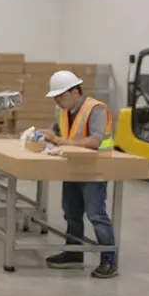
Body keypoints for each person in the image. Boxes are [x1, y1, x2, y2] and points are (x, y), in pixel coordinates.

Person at [41, 70, 118, 279]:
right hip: (73, 167)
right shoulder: (64, 111)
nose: (57, 101)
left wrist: (59, 141)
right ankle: (73, 253)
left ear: (75, 92)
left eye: (60, 96)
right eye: (55, 97)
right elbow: (57, 133)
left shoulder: (96, 110)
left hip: (95, 170)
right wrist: (45, 136)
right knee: (71, 213)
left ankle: (109, 261)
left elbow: (94, 141)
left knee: (96, 215)